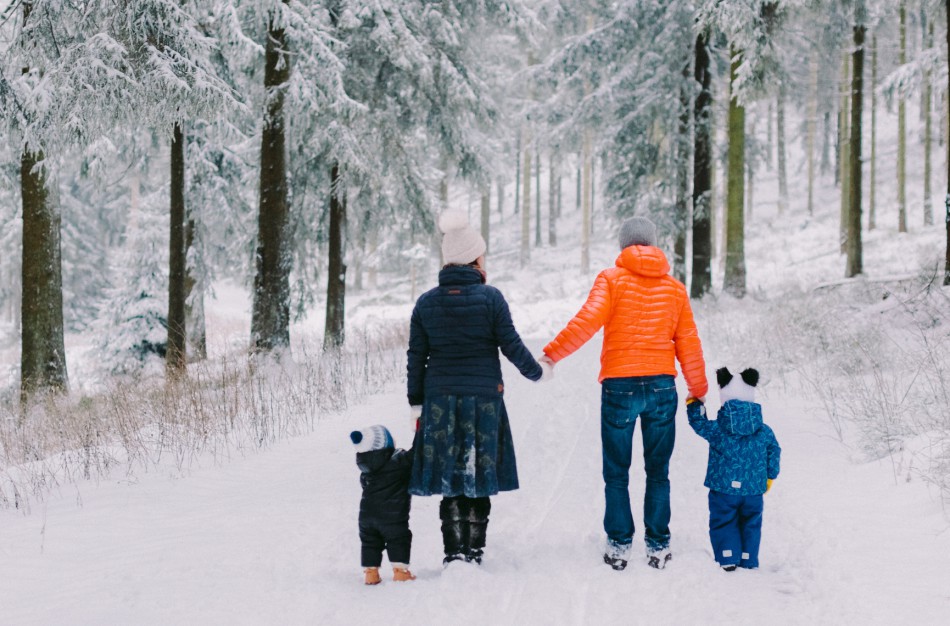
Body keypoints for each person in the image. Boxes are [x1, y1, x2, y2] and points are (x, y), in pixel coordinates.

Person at [541, 215, 707, 571]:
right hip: (662, 386)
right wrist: (699, 389)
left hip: (619, 386)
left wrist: (552, 355)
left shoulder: (611, 279)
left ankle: (619, 543)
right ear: (653, 243)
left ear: (624, 246)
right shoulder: (675, 289)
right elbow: (689, 344)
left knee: (616, 470)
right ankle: (658, 543)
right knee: (658, 470)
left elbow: (586, 321)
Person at [407, 210, 551, 566]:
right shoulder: (491, 298)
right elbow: (511, 344)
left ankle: (453, 552)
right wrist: (539, 372)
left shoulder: (426, 303)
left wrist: (415, 403)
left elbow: (416, 358)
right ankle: (474, 550)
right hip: (484, 400)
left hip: (439, 401)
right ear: (475, 257)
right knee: (479, 475)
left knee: (450, 478)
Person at [687, 367, 781, 571]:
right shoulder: (764, 430)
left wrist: (694, 404)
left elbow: (698, 424)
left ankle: (728, 557)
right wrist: (770, 476)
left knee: (724, 521)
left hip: (723, 489)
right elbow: (774, 450)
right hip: (754, 489)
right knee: (751, 524)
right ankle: (748, 559)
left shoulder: (719, 429)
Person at [350, 424, 416, 585]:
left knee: (370, 542)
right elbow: (416, 453)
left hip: (366, 517)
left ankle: (371, 574)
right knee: (398, 539)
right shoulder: (398, 463)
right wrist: (420, 430)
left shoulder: (366, 470)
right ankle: (400, 572)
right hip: (392, 517)